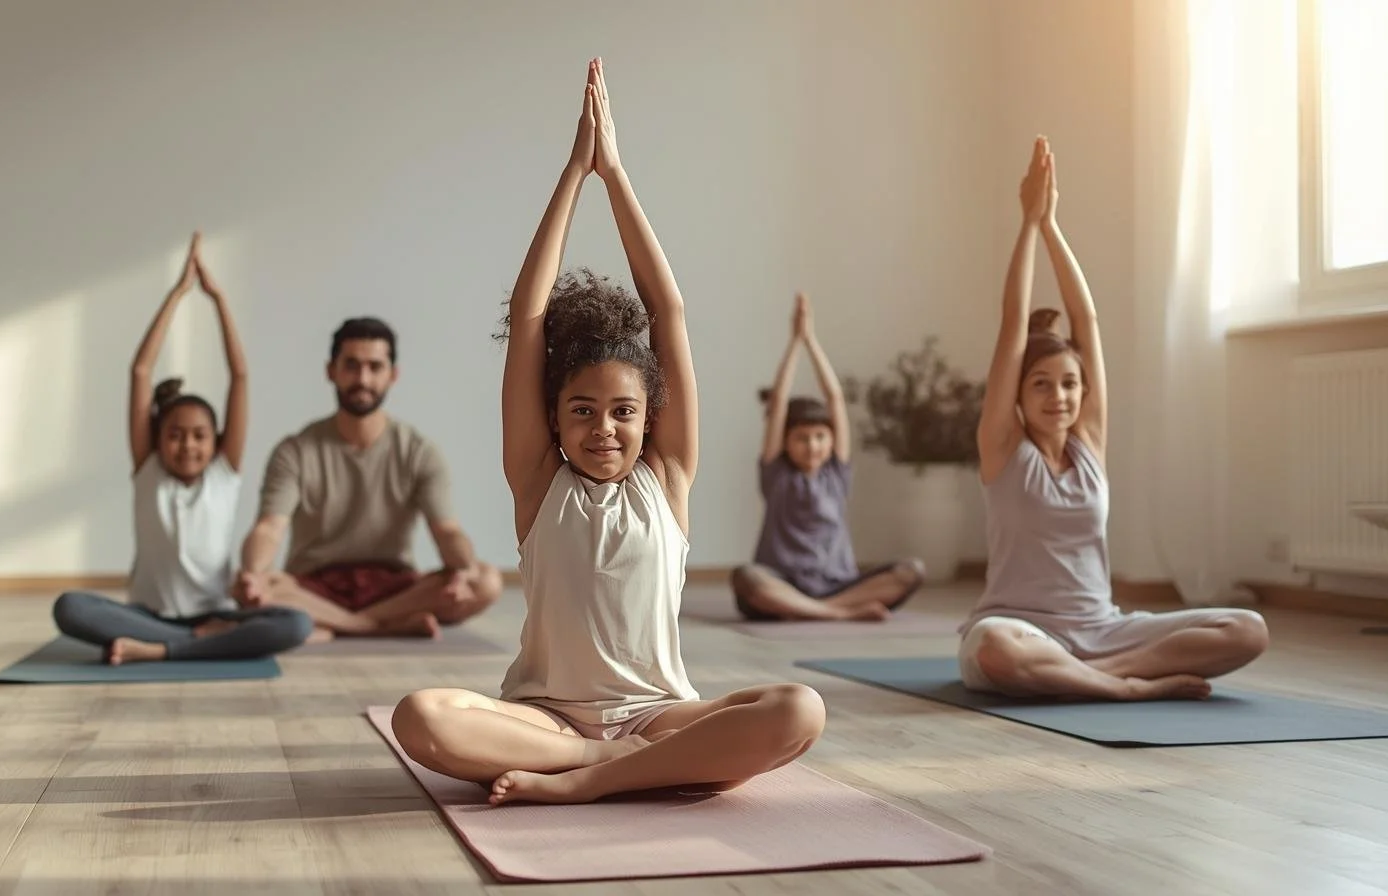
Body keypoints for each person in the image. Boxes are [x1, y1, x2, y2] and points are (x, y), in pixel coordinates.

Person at [389, 59, 826, 807]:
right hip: (546, 721)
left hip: (659, 716)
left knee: (800, 710)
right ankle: (599, 762)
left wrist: (615, 175)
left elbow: (669, 312)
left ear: (649, 417)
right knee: (421, 716)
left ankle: (586, 782)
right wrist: (572, 174)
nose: (604, 429)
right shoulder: (538, 480)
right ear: (553, 418)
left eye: (623, 411)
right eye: (582, 410)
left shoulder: (669, 477)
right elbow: (528, 315)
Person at [959, 137, 1269, 700]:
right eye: (1041, 384)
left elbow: (1087, 319)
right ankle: (1128, 689)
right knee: (994, 650)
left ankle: (1099, 675)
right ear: (1019, 399)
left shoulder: (1089, 445)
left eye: (1070, 384)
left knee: (1246, 629)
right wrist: (1028, 225)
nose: (1060, 396)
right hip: (1022, 629)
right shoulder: (1003, 447)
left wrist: (1053, 224)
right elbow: (1011, 328)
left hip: (1105, 630)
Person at [53, 232, 313, 664]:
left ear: (217, 442)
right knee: (70, 607)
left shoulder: (223, 473)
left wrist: (218, 300)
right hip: (149, 616)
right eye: (175, 434)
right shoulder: (149, 470)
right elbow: (140, 371)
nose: (187, 444)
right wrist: (177, 295)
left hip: (217, 614)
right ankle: (184, 645)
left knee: (296, 624)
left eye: (199, 435)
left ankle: (158, 652)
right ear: (157, 438)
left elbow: (240, 377)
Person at [229, 315, 502, 639]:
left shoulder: (419, 451)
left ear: (392, 375)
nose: (363, 378)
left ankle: (337, 625)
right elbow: (269, 528)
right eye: (352, 365)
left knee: (485, 581)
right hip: (313, 586)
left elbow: (447, 531)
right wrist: (254, 573)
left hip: (393, 588)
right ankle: (380, 627)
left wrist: (463, 566)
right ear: (331, 371)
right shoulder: (295, 450)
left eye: (375, 367)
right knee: (244, 587)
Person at [730, 292, 925, 622]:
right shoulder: (776, 474)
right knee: (746, 578)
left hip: (839, 585)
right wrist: (795, 343)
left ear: (832, 439)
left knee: (911, 570)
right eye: (802, 438)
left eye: (820, 437)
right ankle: (835, 615)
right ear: (786, 443)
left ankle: (822, 609)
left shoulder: (836, 473)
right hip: (784, 585)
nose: (813, 445)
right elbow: (779, 402)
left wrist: (811, 341)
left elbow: (835, 398)